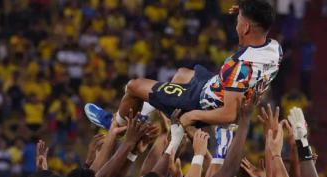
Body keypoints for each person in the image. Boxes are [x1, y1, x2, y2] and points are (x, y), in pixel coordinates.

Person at [84, 0, 280, 129]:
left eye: (238, 21)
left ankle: (115, 125)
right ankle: (143, 116)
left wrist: (194, 115)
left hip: (200, 101)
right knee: (182, 73)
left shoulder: (237, 66)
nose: (236, 25)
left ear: (246, 27)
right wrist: (245, 11)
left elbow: (230, 114)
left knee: (134, 86)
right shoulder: (274, 49)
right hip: (216, 85)